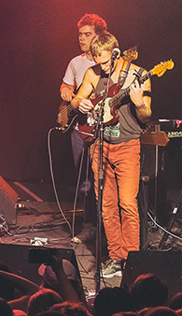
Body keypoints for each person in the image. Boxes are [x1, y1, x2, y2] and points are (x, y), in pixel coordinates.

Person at [69, 31, 151, 279]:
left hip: (127, 145)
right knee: (106, 206)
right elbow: (76, 100)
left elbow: (147, 115)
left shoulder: (139, 74)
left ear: (115, 54)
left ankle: (131, 258)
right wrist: (79, 102)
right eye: (98, 61)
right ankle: (115, 256)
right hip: (99, 144)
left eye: (106, 62)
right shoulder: (93, 73)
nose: (102, 67)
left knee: (127, 203)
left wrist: (139, 104)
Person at [57, 14, 107, 237]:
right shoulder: (75, 62)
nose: (82, 38)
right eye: (80, 34)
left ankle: (108, 227)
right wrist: (66, 91)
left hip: (105, 128)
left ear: (99, 36)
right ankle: (89, 227)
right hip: (80, 129)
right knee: (85, 180)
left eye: (87, 34)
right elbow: (65, 86)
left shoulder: (107, 60)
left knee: (104, 180)